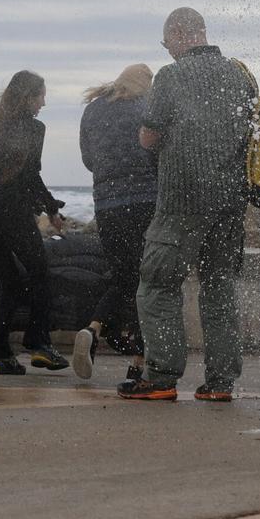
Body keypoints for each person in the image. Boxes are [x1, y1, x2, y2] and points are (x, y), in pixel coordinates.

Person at [117, 8, 256, 402]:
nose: (168, 51)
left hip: (182, 199)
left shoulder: (171, 76)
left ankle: (161, 377)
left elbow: (149, 135)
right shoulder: (239, 75)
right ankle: (220, 383)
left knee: (157, 284)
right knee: (219, 286)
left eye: (167, 43)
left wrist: (156, 139)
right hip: (230, 202)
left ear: (179, 33)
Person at [0, 70, 68, 375]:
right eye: (41, 96)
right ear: (28, 97)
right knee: (40, 275)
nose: (44, 103)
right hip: (11, 214)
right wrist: (51, 210)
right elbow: (31, 175)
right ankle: (38, 344)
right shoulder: (35, 129)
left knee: (11, 283)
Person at [72, 64, 158, 383]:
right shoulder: (147, 106)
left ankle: (92, 330)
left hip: (106, 205)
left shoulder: (93, 110)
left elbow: (88, 159)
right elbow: (156, 152)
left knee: (123, 277)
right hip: (145, 204)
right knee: (147, 281)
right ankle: (139, 361)